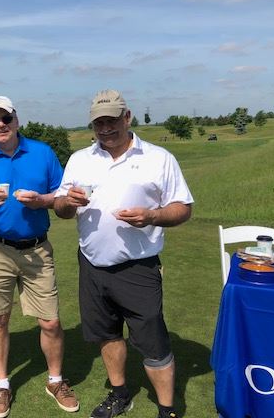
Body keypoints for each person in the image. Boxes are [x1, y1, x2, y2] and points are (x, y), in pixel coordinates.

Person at [54, 89, 193, 418]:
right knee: (107, 334)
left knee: (153, 342)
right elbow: (60, 207)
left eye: (111, 120)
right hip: (92, 264)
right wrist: (68, 202)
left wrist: (152, 216)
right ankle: (120, 394)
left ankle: (167, 409)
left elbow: (183, 207)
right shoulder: (80, 160)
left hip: (138, 267)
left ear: (127, 117)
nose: (105, 128)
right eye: (98, 123)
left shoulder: (158, 158)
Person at [0, 96, 80, 418]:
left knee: (51, 320)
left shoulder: (42, 153)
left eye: (6, 118)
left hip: (37, 248)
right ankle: (2, 385)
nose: (1, 124)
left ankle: (55, 381)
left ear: (16, 120)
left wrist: (41, 201)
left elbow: (61, 198)